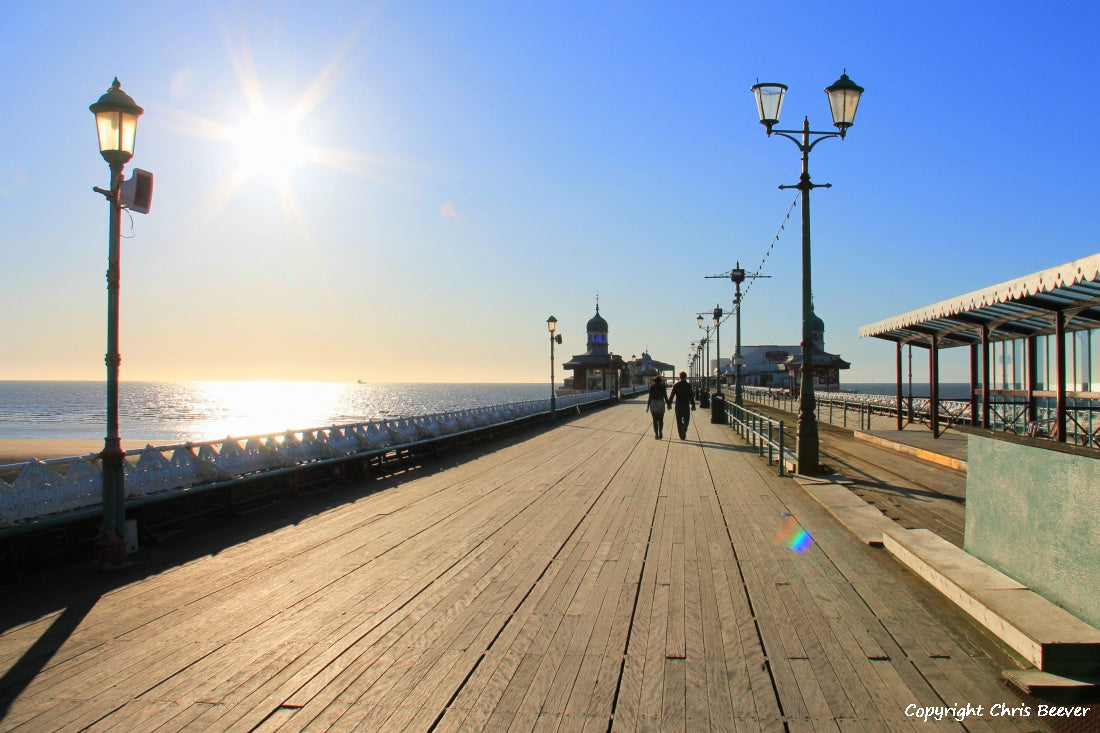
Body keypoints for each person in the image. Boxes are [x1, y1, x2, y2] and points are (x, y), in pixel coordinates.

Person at [668, 371, 696, 439]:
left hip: (678, 406)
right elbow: (691, 396)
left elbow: (672, 395)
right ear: (686, 377)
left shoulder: (676, 385)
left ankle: (681, 435)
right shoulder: (688, 385)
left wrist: (669, 404)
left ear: (680, 377)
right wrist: (693, 405)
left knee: (679, 420)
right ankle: (684, 429)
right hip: (686, 405)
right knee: (687, 419)